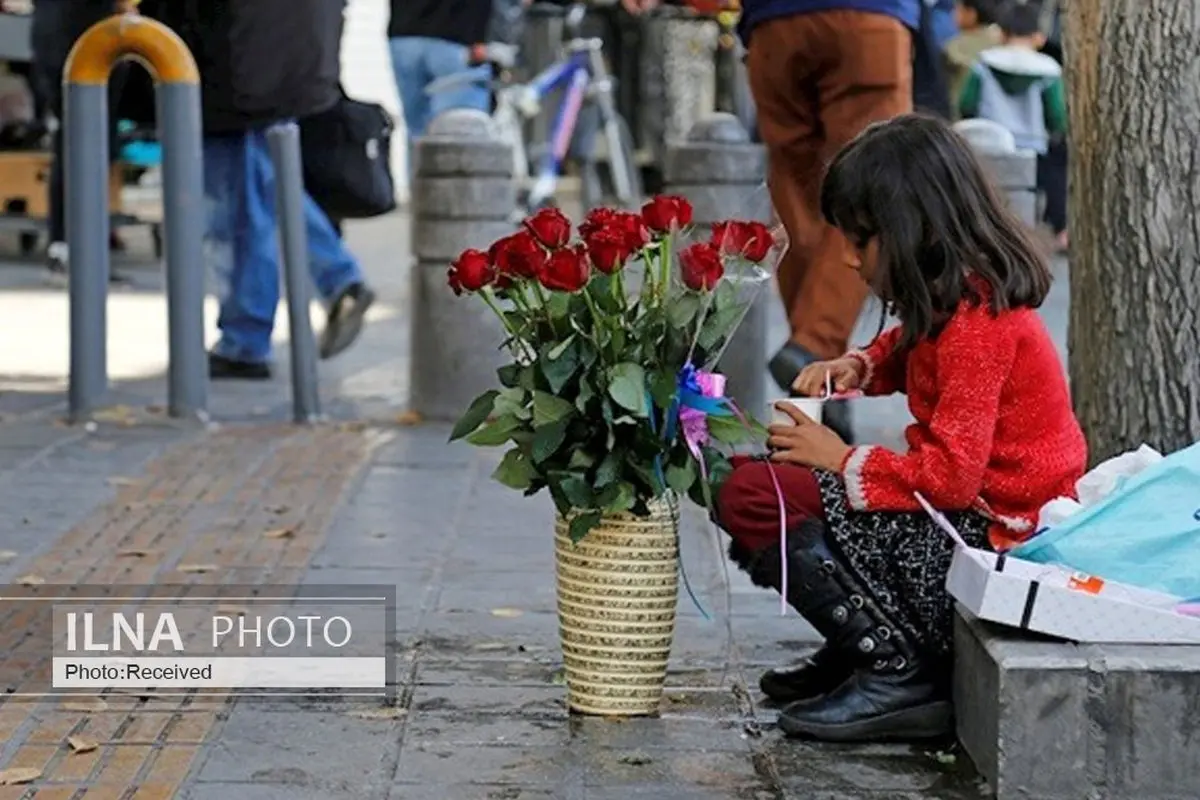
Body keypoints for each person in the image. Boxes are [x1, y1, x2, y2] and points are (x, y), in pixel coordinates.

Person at [715, 115, 1087, 742]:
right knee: (751, 482)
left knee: (756, 493)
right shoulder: (958, 299)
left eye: (860, 241)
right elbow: (909, 347)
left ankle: (895, 666)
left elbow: (948, 476)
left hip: (990, 538)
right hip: (967, 520)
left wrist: (837, 460)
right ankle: (862, 640)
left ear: (910, 233)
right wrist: (854, 365)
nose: (847, 257)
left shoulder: (979, 324)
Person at [146, 0, 376, 380]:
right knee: (263, 183)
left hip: (236, 64)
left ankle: (248, 337)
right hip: (283, 62)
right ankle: (334, 279)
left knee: (240, 205)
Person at [739, 0, 916, 444]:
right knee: (877, 182)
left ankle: (818, 390)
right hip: (870, 16)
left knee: (800, 192)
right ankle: (815, 346)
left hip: (772, 23)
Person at [29, 0, 135, 281]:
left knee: (75, 142)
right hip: (87, 33)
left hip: (58, 33)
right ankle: (77, 248)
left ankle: (68, 245)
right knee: (87, 145)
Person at [957, 2, 1067, 250]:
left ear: (1002, 33)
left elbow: (967, 102)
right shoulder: (1048, 70)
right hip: (1032, 144)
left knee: (989, 194)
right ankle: (1041, 235)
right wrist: (1055, 130)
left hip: (991, 142)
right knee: (1032, 194)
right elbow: (1057, 114)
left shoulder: (983, 64)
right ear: (1038, 37)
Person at [944, 0, 1002, 114]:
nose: (953, 14)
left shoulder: (955, 47)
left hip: (961, 115)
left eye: (958, 9)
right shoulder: (1002, 41)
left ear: (971, 14)